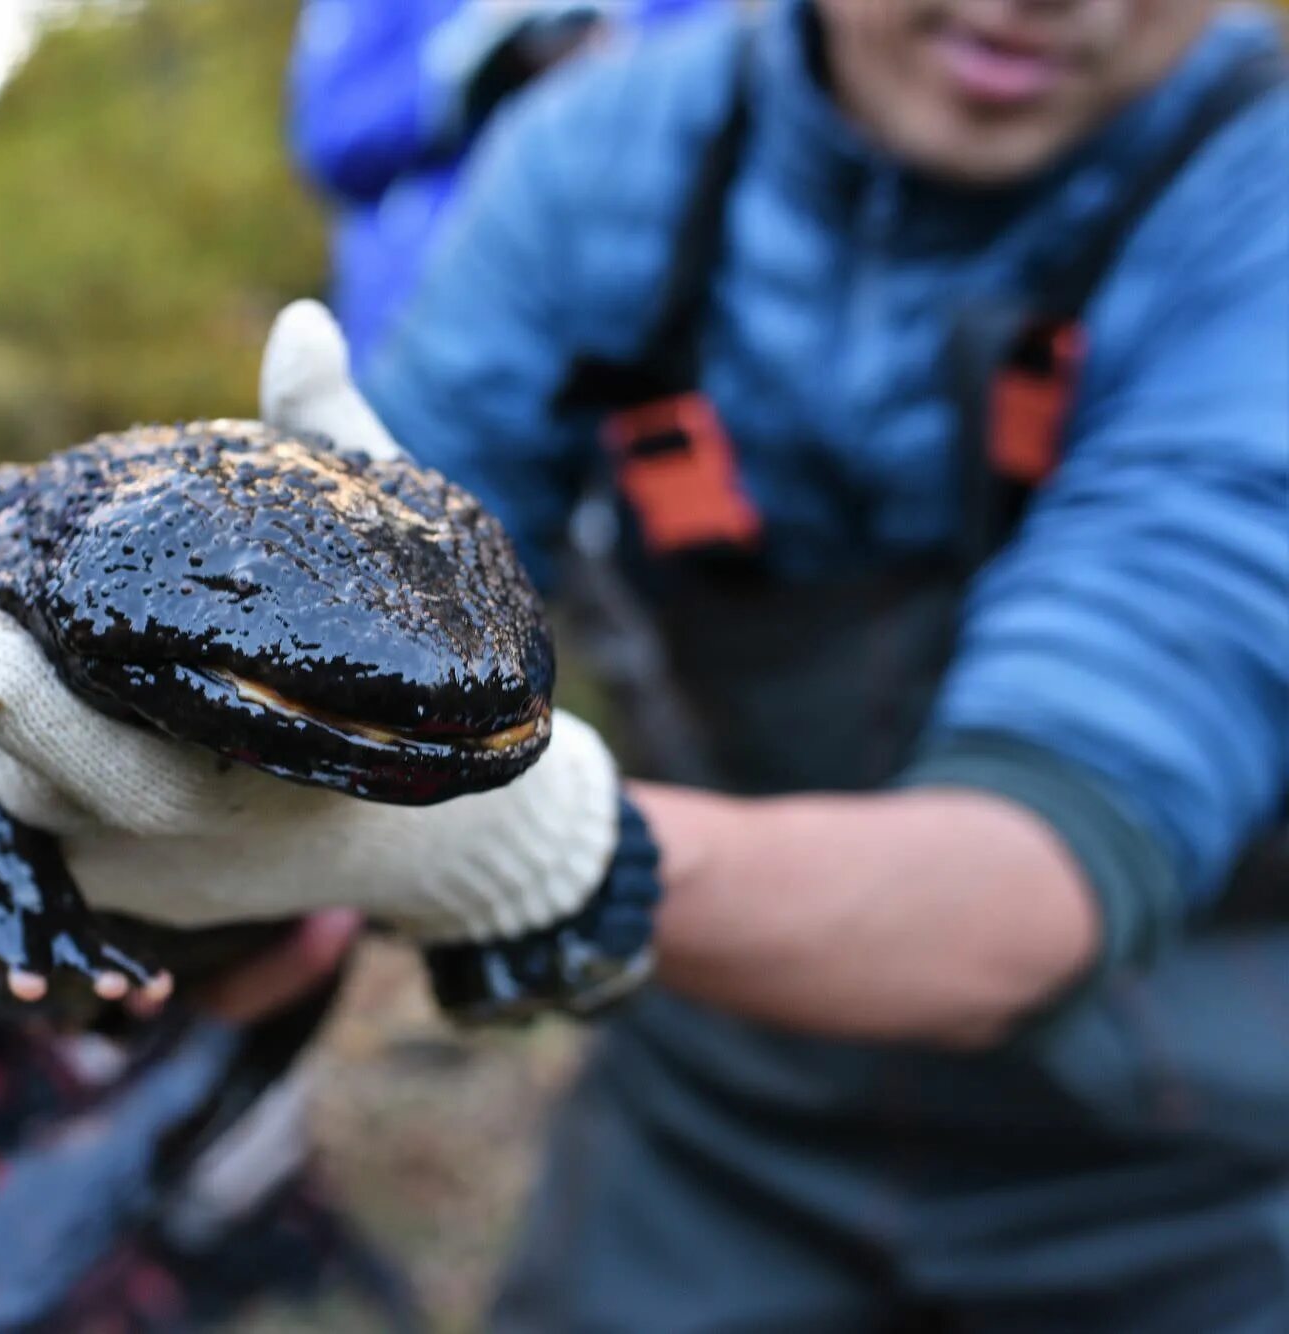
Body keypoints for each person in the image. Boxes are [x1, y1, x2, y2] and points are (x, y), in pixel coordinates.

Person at [341, 0, 1287, 1326]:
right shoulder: (601, 161)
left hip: (1189, 1160)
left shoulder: (1260, 206)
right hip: (716, 1119)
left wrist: (519, 849)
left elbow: (1042, 856)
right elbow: (371, 606)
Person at [289, 1, 715, 368]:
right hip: (417, 326)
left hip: (626, 337)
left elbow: (715, 116)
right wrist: (473, 53)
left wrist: (613, 59)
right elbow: (331, 137)